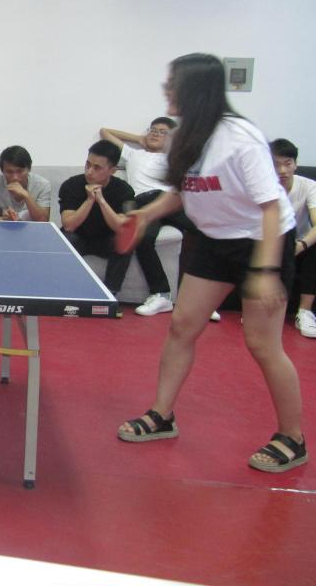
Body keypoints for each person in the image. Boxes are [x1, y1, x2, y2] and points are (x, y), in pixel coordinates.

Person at [117, 53, 305, 474]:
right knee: (182, 325)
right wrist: (146, 214)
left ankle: (292, 437)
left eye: (172, 83)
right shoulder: (183, 137)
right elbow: (182, 192)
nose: (166, 89)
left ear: (195, 89)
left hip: (260, 240)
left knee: (262, 343)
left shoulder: (240, 138)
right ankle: (162, 414)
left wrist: (265, 272)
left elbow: (271, 206)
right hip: (213, 239)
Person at [100, 119, 219, 321]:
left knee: (207, 232)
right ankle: (162, 295)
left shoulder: (175, 158)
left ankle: (204, 302)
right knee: (143, 239)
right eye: (153, 130)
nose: (155, 134)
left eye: (162, 132)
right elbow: (105, 131)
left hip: (171, 201)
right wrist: (140, 139)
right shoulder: (134, 154)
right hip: (144, 203)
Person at [58, 140, 135, 303]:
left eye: (97, 168)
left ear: (112, 171)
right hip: (79, 236)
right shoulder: (71, 185)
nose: (89, 171)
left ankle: (110, 295)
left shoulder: (124, 190)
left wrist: (101, 200)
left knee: (125, 239)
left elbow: (122, 228)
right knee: (63, 238)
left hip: (106, 239)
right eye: (88, 164)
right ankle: (63, 292)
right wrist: (89, 200)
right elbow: (69, 225)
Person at [270, 138, 316, 338]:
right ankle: (259, 310)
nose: (282, 170)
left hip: (301, 244)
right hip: (271, 243)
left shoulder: (309, 186)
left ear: (295, 164)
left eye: (288, 163)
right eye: (276, 164)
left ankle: (304, 313)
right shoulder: (262, 187)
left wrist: (301, 244)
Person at [0, 145, 51, 222]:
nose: (15, 177)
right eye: (9, 172)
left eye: (20, 171)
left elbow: (43, 220)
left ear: (29, 169)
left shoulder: (43, 185)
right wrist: (4, 219)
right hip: (3, 227)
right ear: (2, 171)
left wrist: (26, 195)